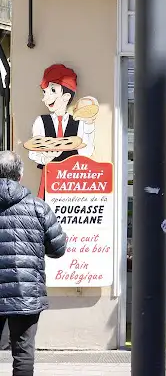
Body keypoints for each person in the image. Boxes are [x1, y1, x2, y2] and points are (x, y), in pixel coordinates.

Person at [0, 151, 67, 375]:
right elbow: (58, 250)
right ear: (20, 175)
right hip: (26, 290)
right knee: (23, 353)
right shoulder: (38, 208)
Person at [28, 64, 97, 199]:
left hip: (71, 180)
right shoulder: (41, 121)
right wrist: (46, 158)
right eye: (44, 92)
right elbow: (33, 152)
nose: (45, 98)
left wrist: (89, 125)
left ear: (66, 96)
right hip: (49, 177)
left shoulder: (79, 122)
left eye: (52, 91)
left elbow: (86, 152)